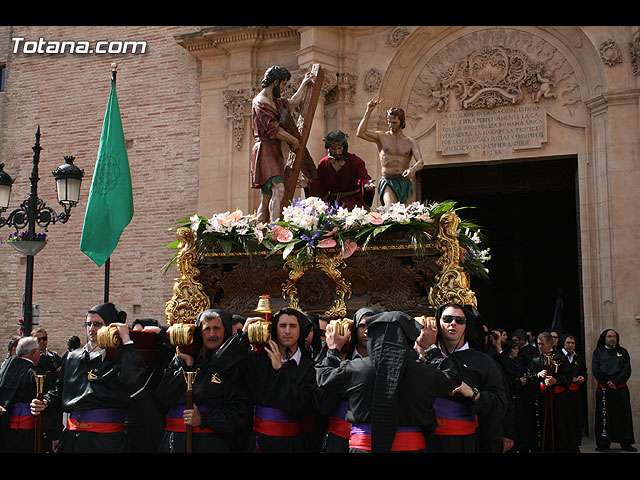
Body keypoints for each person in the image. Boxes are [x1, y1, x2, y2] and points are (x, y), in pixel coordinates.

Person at [316, 310, 462, 453]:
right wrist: (430, 347)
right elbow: (452, 379)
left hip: (367, 448)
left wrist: (334, 350)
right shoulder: (422, 372)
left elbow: (324, 377)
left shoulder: (359, 368)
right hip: (409, 447)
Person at [29, 302, 146, 453]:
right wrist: (45, 402)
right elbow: (60, 390)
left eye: (97, 324)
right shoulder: (73, 356)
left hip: (107, 440)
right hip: (73, 439)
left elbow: (132, 380)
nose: (91, 329)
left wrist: (126, 340)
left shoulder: (121, 357)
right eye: (88, 324)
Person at [157, 309, 252, 453]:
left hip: (212, 443)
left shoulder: (236, 366)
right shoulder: (184, 358)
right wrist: (185, 366)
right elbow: (164, 396)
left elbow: (241, 414)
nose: (212, 334)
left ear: (225, 331)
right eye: (207, 329)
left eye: (216, 329)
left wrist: (204, 419)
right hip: (175, 441)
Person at [238, 308, 328, 452]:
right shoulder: (258, 360)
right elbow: (223, 366)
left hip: (294, 444)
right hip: (259, 441)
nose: (287, 331)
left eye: (293, 326)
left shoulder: (310, 367)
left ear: (300, 331)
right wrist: (241, 336)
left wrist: (279, 370)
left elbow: (297, 404)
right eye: (282, 326)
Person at [421, 303, 508, 453]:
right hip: (425, 440)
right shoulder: (421, 356)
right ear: (438, 323)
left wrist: (475, 394)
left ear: (466, 325)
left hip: (466, 441)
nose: (453, 323)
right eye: (447, 319)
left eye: (459, 320)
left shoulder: (483, 361)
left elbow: (501, 403)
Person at [250, 65, 315, 223]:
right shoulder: (260, 103)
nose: (284, 87)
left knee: (267, 196)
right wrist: (294, 140)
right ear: (276, 82)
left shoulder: (275, 102)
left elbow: (293, 102)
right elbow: (274, 130)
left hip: (273, 150)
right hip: (264, 149)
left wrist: (305, 84)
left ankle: (260, 227)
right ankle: (275, 228)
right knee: (278, 189)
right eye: (284, 84)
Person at [322, 307, 381, 453]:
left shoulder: (386, 360)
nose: (367, 330)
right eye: (362, 325)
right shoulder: (340, 356)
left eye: (372, 325)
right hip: (338, 436)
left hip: (371, 438)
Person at [357, 97, 424, 206]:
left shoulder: (411, 142)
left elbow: (420, 162)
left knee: (406, 217)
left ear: (401, 121)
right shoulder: (382, 137)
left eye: (394, 122)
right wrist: (368, 111)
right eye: (389, 122)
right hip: (388, 181)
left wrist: (412, 170)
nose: (391, 125)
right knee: (391, 211)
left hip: (405, 182)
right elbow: (360, 133)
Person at [525, 331, 577, 453]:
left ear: (550, 344)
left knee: (559, 426)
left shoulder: (560, 358)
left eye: (542, 344)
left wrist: (556, 380)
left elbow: (568, 375)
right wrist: (537, 375)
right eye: (538, 344)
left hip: (558, 400)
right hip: (542, 399)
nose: (540, 347)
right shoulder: (536, 359)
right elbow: (529, 375)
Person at [592, 328, 637, 451]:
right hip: (605, 390)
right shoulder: (598, 352)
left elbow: (626, 369)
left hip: (620, 389)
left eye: (614, 336)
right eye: (609, 336)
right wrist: (607, 382)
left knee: (623, 416)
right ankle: (603, 443)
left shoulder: (623, 352)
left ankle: (626, 442)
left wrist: (616, 382)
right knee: (604, 416)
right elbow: (596, 369)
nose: (612, 339)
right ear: (604, 338)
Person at [306, 130, 375, 209]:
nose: (337, 151)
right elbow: (321, 186)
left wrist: (366, 184)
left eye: (339, 148)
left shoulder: (355, 161)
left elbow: (362, 178)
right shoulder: (324, 163)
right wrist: (308, 185)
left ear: (344, 147)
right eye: (333, 148)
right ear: (328, 148)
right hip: (332, 204)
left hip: (354, 203)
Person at [0, 336, 40, 452]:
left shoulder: (3, 369)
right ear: (33, 352)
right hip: (27, 431)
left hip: (4, 427)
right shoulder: (35, 374)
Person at [31, 326, 63, 453]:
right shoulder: (32, 359)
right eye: (38, 339)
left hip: (53, 399)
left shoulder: (54, 357)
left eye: (44, 338)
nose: (42, 341)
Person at [511, 327, 538, 452]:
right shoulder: (516, 351)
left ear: (522, 340)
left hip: (528, 390)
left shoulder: (532, 351)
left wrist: (525, 377)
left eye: (516, 341)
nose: (514, 343)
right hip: (518, 390)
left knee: (528, 420)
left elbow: (532, 367)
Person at [561, 333, 587, 448]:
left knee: (577, 419)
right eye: (568, 343)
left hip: (576, 393)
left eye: (572, 343)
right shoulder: (559, 357)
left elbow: (583, 370)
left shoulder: (578, 357)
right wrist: (569, 379)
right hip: (564, 393)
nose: (570, 345)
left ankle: (576, 442)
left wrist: (582, 377)